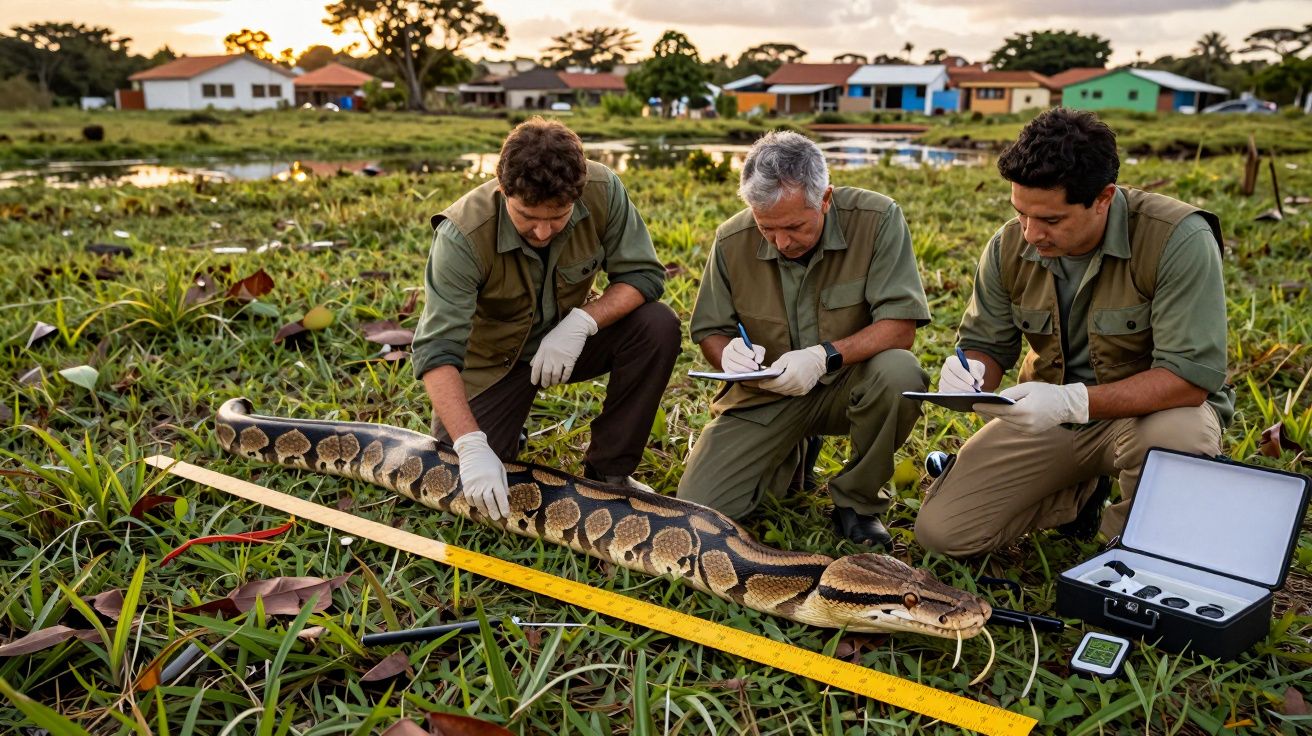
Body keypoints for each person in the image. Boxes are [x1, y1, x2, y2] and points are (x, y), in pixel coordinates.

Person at [915, 108, 1232, 557]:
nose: (1030, 234)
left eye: (1051, 220)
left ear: (1102, 198)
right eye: (1021, 213)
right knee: (945, 534)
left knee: (1179, 438)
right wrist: (971, 375)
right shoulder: (1008, 245)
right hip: (1050, 416)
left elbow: (1189, 379)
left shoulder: (1177, 238)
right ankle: (1077, 495)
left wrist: (1075, 400)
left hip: (1152, 414)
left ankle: (1133, 550)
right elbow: (986, 344)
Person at [412, 117, 679, 521]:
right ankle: (499, 432)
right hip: (493, 363)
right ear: (503, 190)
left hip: (570, 339)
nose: (542, 231)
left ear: (579, 190)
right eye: (527, 216)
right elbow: (436, 352)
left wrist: (582, 323)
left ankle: (610, 471)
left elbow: (643, 276)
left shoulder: (603, 190)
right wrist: (469, 443)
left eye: (558, 217)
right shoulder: (462, 235)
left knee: (657, 325)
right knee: (462, 486)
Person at [677, 130, 931, 548]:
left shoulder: (878, 219)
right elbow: (710, 330)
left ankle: (857, 504)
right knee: (702, 511)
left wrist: (822, 357)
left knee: (899, 372)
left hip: (848, 383)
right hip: (767, 393)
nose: (781, 242)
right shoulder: (730, 240)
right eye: (767, 228)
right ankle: (792, 452)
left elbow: (900, 327)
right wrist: (729, 357)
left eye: (795, 226)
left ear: (825, 199)